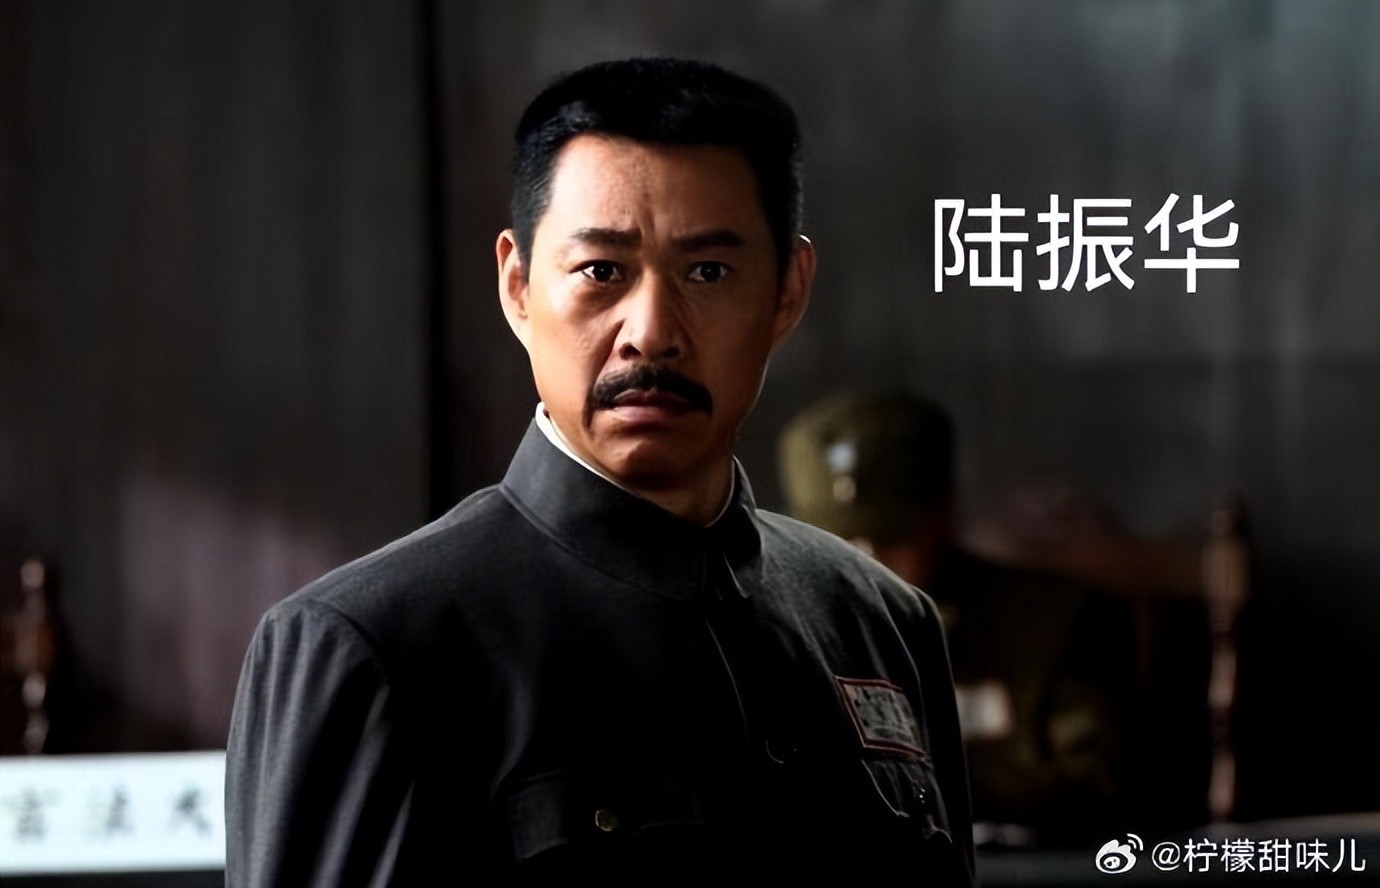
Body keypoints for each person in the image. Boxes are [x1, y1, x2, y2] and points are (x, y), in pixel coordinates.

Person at [225, 59, 974, 884]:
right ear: (518, 286)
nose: (651, 332)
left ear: (787, 294)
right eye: (601, 271)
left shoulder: (882, 623)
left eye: (708, 272)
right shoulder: (373, 645)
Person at [779, 389, 1143, 846]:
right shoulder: (770, 635)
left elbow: (1098, 784)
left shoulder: (1053, 623)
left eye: (894, 536)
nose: (866, 559)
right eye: (836, 542)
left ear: (944, 513)